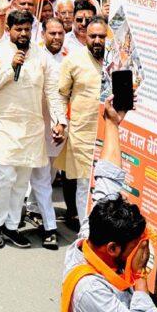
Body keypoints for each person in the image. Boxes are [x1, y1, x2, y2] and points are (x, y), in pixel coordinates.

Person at [60, 99, 157, 312]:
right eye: (138, 245)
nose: (144, 248)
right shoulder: (90, 291)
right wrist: (140, 275)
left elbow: (107, 178)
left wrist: (111, 123)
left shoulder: (92, 234)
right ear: (112, 248)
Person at [0, 10, 66, 249]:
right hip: (2, 124)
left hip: (31, 127)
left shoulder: (41, 57)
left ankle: (11, 226)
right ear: (9, 29)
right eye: (18, 29)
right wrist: (10, 68)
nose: (23, 33)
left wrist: (59, 120)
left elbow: (52, 91)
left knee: (21, 181)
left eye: (27, 29)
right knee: (4, 177)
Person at [58, 16, 109, 225]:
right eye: (93, 36)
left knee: (106, 186)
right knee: (84, 184)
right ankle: (85, 232)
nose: (97, 40)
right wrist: (60, 122)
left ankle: (102, 231)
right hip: (82, 133)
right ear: (84, 36)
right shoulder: (73, 60)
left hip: (111, 133)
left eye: (102, 36)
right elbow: (61, 94)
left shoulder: (117, 61)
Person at [25, 17, 67, 249]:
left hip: (59, 128)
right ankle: (50, 227)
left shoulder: (69, 58)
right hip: (35, 127)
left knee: (49, 176)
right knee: (41, 180)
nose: (57, 37)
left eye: (60, 33)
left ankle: (33, 209)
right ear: (42, 34)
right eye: (52, 33)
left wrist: (62, 122)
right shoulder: (35, 57)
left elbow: (63, 96)